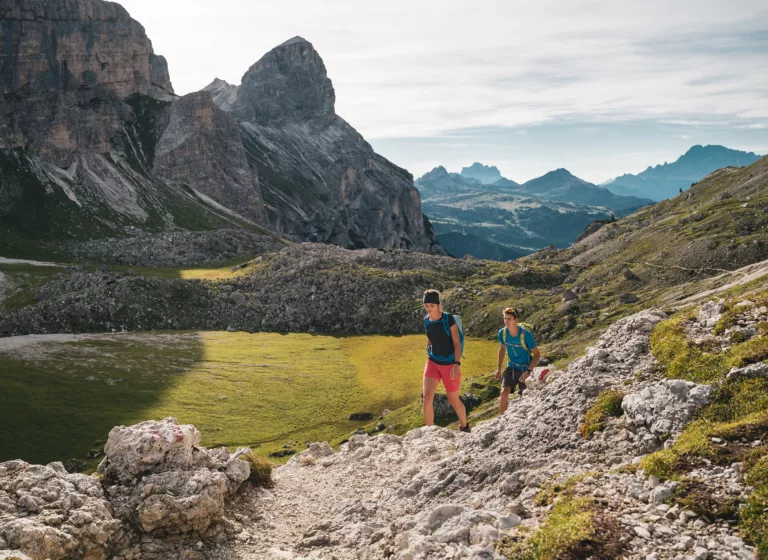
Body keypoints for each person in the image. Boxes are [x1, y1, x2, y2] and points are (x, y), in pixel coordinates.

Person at [422, 289, 470, 432]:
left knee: (453, 399)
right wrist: (428, 347)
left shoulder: (448, 319)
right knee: (427, 397)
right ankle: (428, 433)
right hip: (432, 361)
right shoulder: (426, 320)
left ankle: (464, 426)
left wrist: (456, 364)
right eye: (426, 305)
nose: (429, 308)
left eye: (432, 305)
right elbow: (430, 336)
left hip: (449, 364)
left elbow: (456, 343)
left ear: (438, 305)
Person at [495, 307, 540, 415]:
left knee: (524, 396)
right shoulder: (502, 333)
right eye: (505, 318)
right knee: (503, 393)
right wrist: (499, 369)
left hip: (525, 369)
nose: (506, 321)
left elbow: (537, 355)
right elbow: (502, 349)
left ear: (516, 319)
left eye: (509, 319)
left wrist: (528, 371)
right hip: (511, 367)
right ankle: (502, 419)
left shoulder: (526, 335)